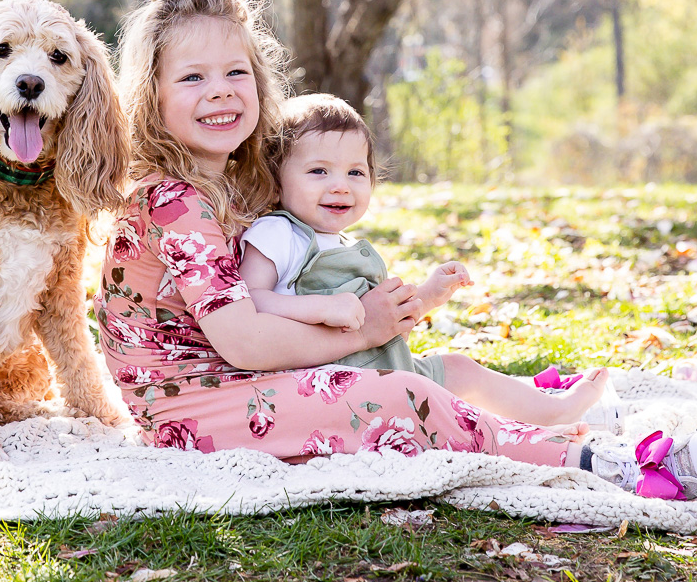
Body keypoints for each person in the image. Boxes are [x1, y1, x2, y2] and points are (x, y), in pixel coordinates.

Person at [95, 0, 697, 500]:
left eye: (235, 73)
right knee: (394, 397)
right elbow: (244, 340)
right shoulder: (173, 199)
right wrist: (366, 331)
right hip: (190, 407)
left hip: (235, 384)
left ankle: (533, 421)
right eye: (191, 78)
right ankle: (613, 465)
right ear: (150, 96)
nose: (220, 93)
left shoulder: (230, 182)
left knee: (422, 375)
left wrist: (379, 318)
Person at [239, 92, 618, 430]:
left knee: (459, 369)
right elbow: (248, 301)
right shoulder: (278, 234)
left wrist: (427, 296)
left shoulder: (343, 244)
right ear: (276, 179)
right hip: (329, 386)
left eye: (356, 172)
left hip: (382, 369)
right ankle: (517, 429)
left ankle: (551, 414)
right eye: (319, 171)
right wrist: (322, 306)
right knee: (441, 408)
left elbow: (384, 321)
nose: (340, 184)